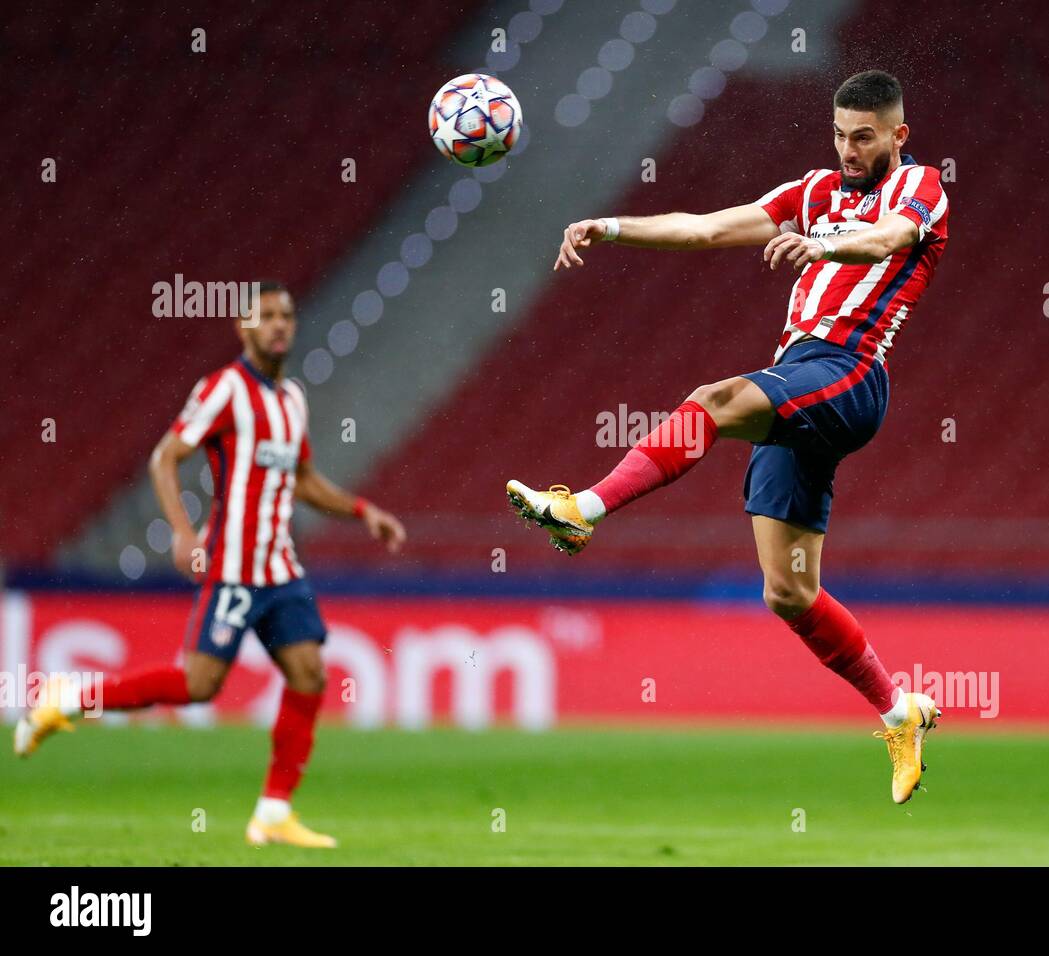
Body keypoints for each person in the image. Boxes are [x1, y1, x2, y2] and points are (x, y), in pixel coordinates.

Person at [507, 71, 949, 803]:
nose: (847, 148)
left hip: (849, 375)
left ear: (897, 136)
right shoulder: (813, 191)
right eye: (840, 133)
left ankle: (583, 509)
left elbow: (888, 243)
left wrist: (822, 250)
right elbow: (707, 226)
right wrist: (610, 227)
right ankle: (900, 713)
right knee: (788, 592)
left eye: (863, 137)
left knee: (713, 400)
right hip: (799, 381)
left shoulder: (921, 188)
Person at [15, 281, 407, 845]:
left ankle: (273, 813)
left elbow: (301, 480)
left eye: (286, 316)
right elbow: (164, 458)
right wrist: (181, 532)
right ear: (244, 328)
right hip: (234, 567)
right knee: (199, 684)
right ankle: (71, 698)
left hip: (281, 569)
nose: (279, 325)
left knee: (310, 674)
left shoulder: (292, 399)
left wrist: (363, 510)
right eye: (266, 316)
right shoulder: (224, 390)